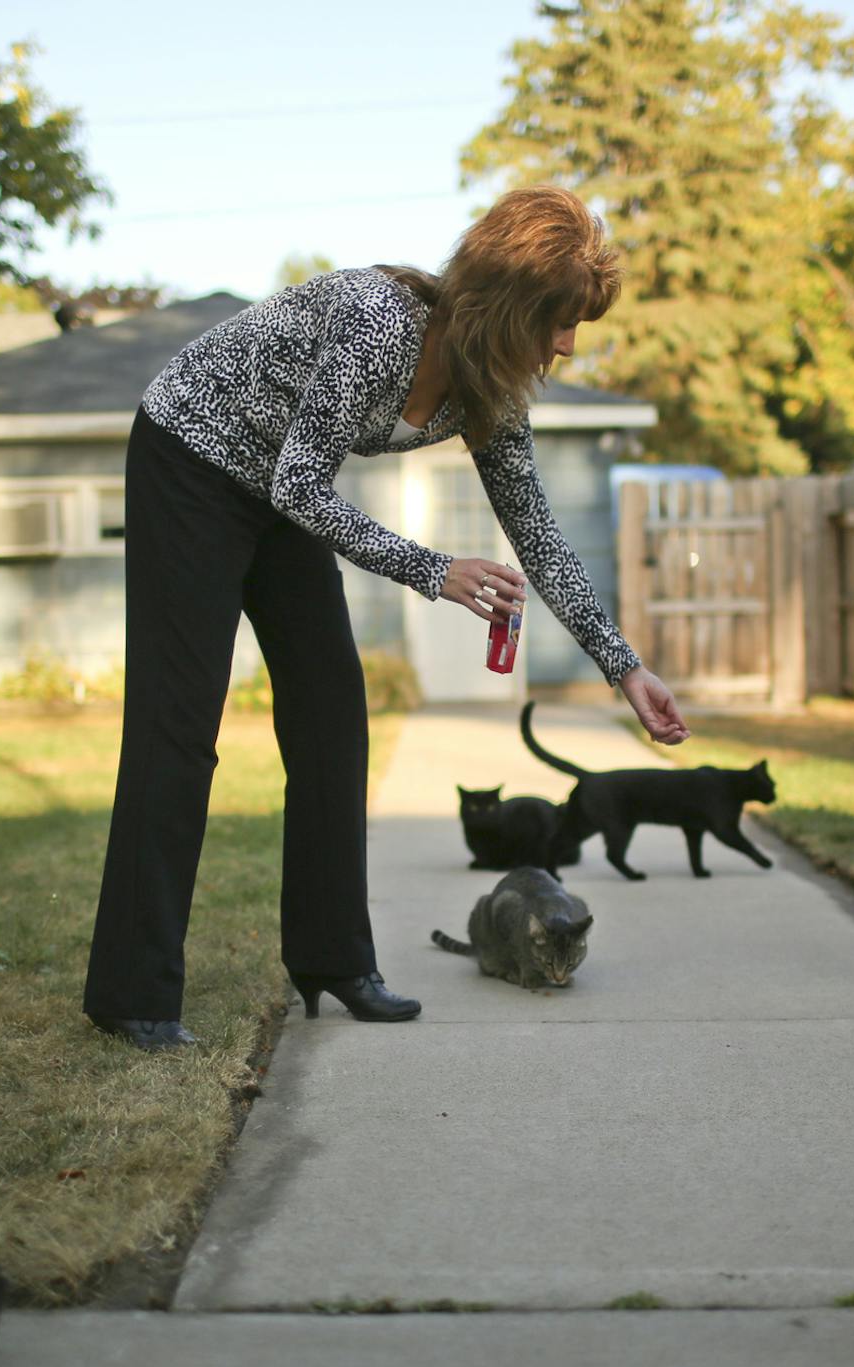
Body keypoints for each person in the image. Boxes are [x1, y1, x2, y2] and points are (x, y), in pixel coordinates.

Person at [85, 184, 690, 1050]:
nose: (566, 344)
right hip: (193, 457)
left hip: (280, 484)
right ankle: (132, 992)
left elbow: (540, 539)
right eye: (559, 320)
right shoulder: (378, 325)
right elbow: (300, 485)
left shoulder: (493, 389)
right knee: (178, 723)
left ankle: (335, 962)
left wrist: (624, 666)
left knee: (333, 714)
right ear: (507, 303)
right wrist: (433, 569)